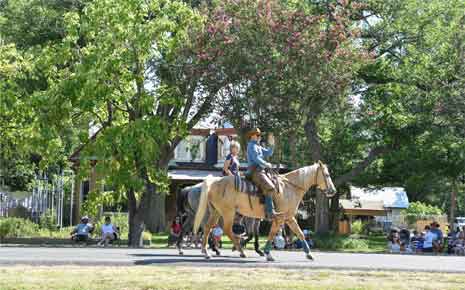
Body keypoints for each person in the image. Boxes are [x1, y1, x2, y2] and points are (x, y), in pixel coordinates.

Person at [246, 128, 280, 220]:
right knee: (271, 187)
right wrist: (266, 164)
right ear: (252, 136)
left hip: (260, 171)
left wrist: (272, 145)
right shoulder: (251, 145)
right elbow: (256, 158)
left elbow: (269, 153)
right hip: (254, 172)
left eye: (260, 135)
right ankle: (270, 212)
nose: (259, 137)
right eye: (258, 135)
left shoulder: (258, 146)